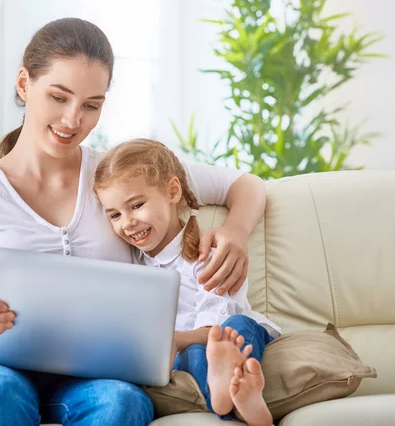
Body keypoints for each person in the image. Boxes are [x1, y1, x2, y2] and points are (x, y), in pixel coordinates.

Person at [0, 18, 268, 426]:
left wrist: (236, 231)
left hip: (86, 374)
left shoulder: (117, 177)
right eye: (58, 97)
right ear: (24, 84)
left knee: (121, 401)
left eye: (91, 105)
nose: (73, 121)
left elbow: (245, 184)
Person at [94, 139, 281, 425]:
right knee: (195, 353)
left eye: (137, 205)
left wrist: (176, 340)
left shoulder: (208, 255)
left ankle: (232, 389)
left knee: (236, 329)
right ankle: (229, 398)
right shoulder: (134, 269)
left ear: (172, 191)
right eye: (115, 215)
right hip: (189, 353)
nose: (127, 222)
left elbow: (218, 325)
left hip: (229, 333)